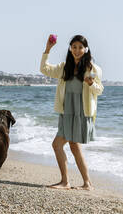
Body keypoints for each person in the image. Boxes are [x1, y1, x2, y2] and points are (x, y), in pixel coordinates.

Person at [40, 34, 104, 190]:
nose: (77, 50)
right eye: (74, 47)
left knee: (58, 145)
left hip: (81, 112)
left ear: (85, 49)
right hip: (66, 111)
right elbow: (44, 69)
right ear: (70, 48)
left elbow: (99, 90)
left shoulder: (92, 68)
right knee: (73, 146)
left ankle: (66, 182)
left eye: (80, 47)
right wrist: (47, 49)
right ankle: (86, 183)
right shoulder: (64, 67)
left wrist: (91, 84)